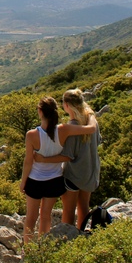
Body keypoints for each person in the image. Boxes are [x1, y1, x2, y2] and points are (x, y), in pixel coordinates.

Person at [19, 96, 97, 244]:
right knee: (46, 216)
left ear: (40, 112)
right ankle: (43, 248)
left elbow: (28, 162)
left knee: (30, 218)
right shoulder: (64, 129)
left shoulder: (32, 135)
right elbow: (91, 129)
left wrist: (23, 182)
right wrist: (91, 115)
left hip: (35, 181)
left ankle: (28, 251)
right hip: (54, 181)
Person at [34, 88, 101, 229]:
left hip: (73, 175)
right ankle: (81, 234)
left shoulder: (71, 128)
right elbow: (98, 141)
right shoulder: (91, 122)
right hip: (89, 172)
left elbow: (66, 156)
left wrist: (43, 159)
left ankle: (69, 239)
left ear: (66, 105)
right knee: (84, 207)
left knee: (69, 209)